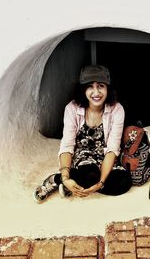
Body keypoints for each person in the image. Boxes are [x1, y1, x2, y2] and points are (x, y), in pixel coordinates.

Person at [34, 64, 132, 203]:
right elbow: (67, 145)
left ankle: (74, 183)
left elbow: (112, 149)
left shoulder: (117, 109)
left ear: (108, 88)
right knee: (90, 175)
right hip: (82, 156)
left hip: (104, 155)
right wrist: (66, 176)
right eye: (90, 86)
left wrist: (101, 183)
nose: (96, 92)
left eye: (101, 86)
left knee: (124, 182)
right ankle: (57, 180)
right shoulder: (72, 108)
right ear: (83, 89)